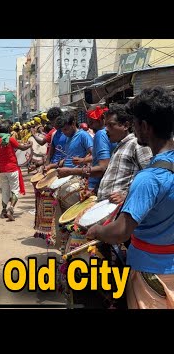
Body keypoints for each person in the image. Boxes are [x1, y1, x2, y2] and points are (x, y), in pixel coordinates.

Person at [86, 86, 174, 309]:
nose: (134, 129)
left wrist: (98, 231)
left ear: (144, 126)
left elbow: (120, 232)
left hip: (151, 273)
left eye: (134, 124)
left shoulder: (149, 179)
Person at [96, 104, 152, 203]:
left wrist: (125, 195)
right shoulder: (119, 147)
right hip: (106, 209)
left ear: (126, 125)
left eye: (111, 125)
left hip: (121, 209)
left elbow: (151, 178)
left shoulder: (136, 144)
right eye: (105, 125)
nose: (106, 130)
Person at [0, 121, 32, 221]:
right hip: (12, 168)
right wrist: (30, 145)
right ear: (8, 130)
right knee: (15, 190)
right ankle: (10, 209)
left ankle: (3, 210)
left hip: (2, 170)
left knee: (5, 191)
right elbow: (22, 148)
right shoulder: (10, 139)